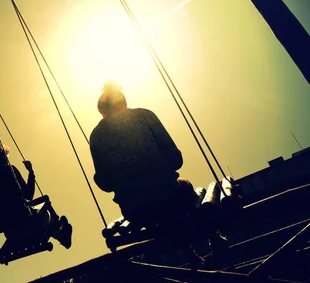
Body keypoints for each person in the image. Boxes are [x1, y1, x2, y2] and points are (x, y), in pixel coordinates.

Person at [89, 82, 226, 264]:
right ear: (124, 103)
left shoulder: (96, 136)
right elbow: (176, 160)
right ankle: (214, 237)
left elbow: (104, 184)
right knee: (186, 189)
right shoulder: (144, 116)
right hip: (169, 196)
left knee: (158, 211)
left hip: (135, 210)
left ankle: (189, 254)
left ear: (102, 111)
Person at [0, 139, 72, 250]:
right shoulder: (10, 170)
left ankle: (62, 235)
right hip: (28, 224)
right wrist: (31, 172)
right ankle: (61, 232)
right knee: (44, 214)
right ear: (3, 155)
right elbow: (28, 194)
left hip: (12, 234)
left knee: (35, 218)